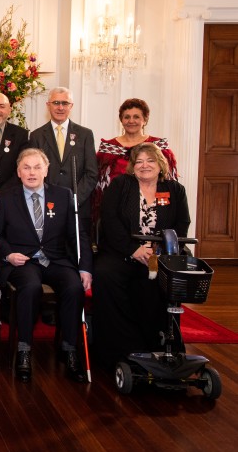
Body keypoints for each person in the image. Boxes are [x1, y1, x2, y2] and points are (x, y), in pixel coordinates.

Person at [0, 148, 92, 383]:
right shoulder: (7, 197)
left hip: (57, 260)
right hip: (23, 260)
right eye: (26, 167)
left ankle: (69, 349)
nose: (32, 172)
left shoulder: (64, 195)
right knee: (30, 287)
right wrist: (8, 255)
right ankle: (24, 349)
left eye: (37, 167)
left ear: (46, 170)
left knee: (73, 287)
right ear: (18, 172)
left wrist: (85, 267)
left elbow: (78, 235)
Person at [92, 142, 190, 369]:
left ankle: (159, 348)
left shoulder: (175, 190)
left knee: (158, 283)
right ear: (132, 166)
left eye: (150, 161)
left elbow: (181, 225)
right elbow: (109, 220)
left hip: (160, 255)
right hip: (122, 251)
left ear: (160, 164)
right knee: (105, 275)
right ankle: (120, 351)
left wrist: (158, 250)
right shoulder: (121, 185)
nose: (144, 165)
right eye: (139, 161)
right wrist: (132, 249)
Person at [92, 98, 179, 226]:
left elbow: (169, 179)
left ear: (145, 119)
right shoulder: (108, 149)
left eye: (136, 117)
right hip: (116, 211)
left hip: (153, 210)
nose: (131, 121)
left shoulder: (159, 146)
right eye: (127, 117)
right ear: (121, 120)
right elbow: (98, 184)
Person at [28, 87, 97, 234]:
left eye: (65, 103)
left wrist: (74, 199)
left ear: (71, 106)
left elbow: (91, 173)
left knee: (77, 252)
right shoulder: (36, 136)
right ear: (48, 105)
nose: (60, 107)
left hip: (78, 207)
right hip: (46, 205)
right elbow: (33, 173)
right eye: (56, 103)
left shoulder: (85, 134)